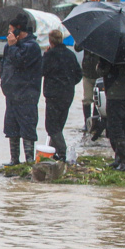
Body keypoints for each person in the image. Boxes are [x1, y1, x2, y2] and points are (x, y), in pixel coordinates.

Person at [0, 12, 43, 164]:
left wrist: (12, 47)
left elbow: (20, 62)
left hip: (26, 94)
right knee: (11, 128)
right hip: (12, 94)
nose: (8, 33)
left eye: (11, 30)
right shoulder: (9, 46)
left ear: (19, 30)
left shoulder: (32, 47)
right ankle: (14, 160)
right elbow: (4, 65)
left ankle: (29, 160)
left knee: (27, 128)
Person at [41, 29, 82, 161]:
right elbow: (78, 74)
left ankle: (62, 152)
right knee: (59, 125)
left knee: (51, 127)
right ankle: (54, 153)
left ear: (50, 41)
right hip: (68, 95)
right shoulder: (70, 54)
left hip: (53, 95)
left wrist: (45, 55)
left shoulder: (50, 55)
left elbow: (41, 71)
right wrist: (69, 84)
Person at [97, 55, 125, 171]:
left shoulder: (109, 54)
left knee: (115, 128)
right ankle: (119, 159)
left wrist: (99, 64)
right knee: (124, 126)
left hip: (116, 95)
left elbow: (102, 71)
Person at [80, 50, 102, 135]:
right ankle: (87, 122)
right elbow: (77, 48)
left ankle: (95, 123)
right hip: (87, 74)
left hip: (99, 75)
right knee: (87, 99)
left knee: (98, 100)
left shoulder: (102, 40)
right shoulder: (86, 40)